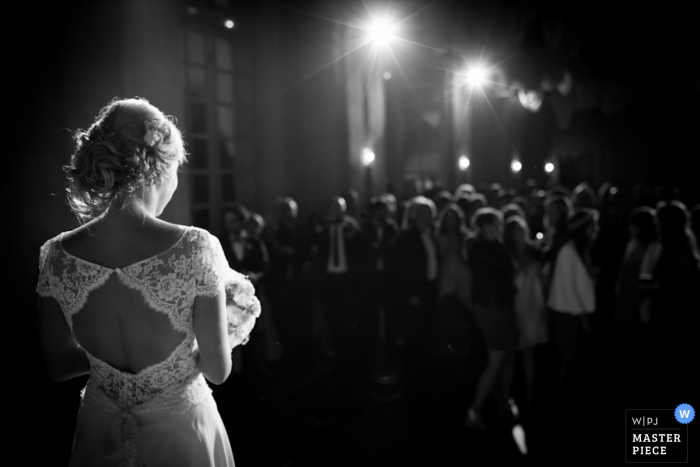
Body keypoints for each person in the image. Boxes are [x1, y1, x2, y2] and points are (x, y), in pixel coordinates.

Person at [36, 98, 259, 466]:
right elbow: (218, 372)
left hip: (99, 430)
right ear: (159, 168)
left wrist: (113, 369)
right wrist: (233, 324)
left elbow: (59, 366)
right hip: (181, 430)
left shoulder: (55, 256)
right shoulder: (196, 247)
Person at [464, 208, 519, 428]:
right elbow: (507, 267)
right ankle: (474, 410)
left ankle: (501, 401)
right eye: (495, 225)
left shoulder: (493, 247)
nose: (499, 229)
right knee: (495, 361)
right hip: (492, 308)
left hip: (501, 306)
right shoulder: (480, 248)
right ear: (484, 226)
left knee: (505, 357)